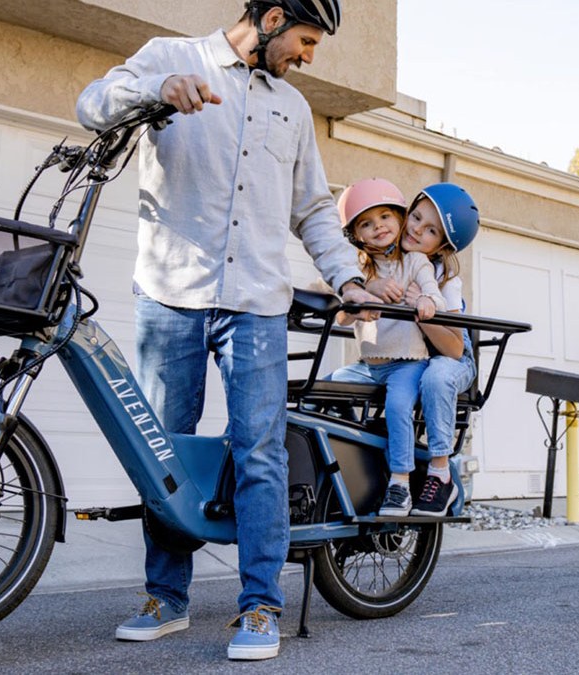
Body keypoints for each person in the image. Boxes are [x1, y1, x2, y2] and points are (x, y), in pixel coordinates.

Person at [76, 0, 379, 661]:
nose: (308, 55)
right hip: (171, 293)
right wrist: (154, 92)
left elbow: (314, 210)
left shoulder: (292, 109)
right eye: (304, 40)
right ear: (270, 17)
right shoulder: (169, 57)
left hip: (256, 302)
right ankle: (167, 596)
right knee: (165, 457)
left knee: (260, 451)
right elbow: (91, 104)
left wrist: (348, 280)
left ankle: (260, 604)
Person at [331, 178, 446, 516]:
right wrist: (364, 292)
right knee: (326, 389)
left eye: (384, 217)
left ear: (399, 218)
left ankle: (400, 482)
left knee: (398, 407)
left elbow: (433, 293)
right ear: (357, 235)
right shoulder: (357, 271)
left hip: (407, 363)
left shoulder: (414, 262)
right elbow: (342, 317)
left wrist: (425, 299)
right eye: (366, 224)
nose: (377, 227)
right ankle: (361, 448)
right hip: (369, 366)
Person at [371, 183, 481, 516]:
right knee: (337, 382)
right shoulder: (391, 262)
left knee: (436, 378)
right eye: (416, 217)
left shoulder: (444, 278)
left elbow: (454, 346)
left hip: (450, 359)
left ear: (443, 245)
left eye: (430, 229)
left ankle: (440, 473)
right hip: (405, 360)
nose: (417, 229)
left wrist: (419, 310)